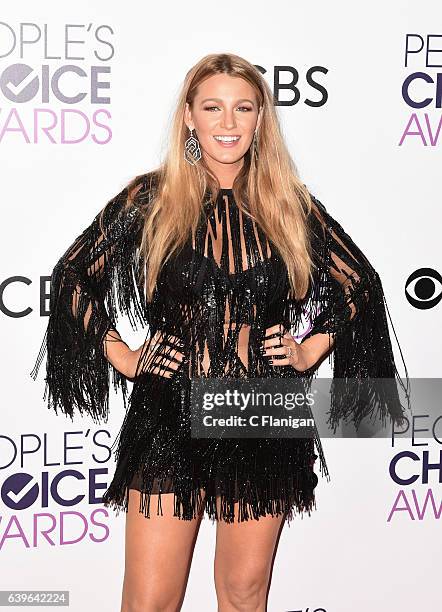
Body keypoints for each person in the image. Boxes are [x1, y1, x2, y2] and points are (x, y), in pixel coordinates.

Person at [30, 52, 410, 611]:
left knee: (242, 593)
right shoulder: (150, 199)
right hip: (169, 410)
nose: (228, 123)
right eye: (213, 107)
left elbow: (362, 286)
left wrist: (308, 351)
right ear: (189, 116)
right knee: (149, 601)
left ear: (261, 120)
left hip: (261, 412)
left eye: (243, 108)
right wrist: (124, 355)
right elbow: (71, 277)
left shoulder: (290, 206)